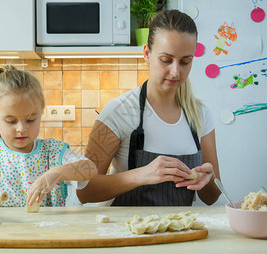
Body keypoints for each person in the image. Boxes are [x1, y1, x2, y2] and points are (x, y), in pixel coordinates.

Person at [77, 9, 221, 206]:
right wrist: (142, 175)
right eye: (166, 60)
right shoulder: (118, 112)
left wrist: (206, 180)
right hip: (127, 232)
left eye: (185, 62)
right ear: (147, 54)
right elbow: (84, 191)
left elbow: (212, 197)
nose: (175, 71)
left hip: (179, 232)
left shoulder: (201, 115)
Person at [0, 65, 97, 214]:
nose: (21, 128)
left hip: (45, 236)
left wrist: (57, 172)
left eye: (30, 119)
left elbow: (90, 168)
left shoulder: (53, 152)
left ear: (40, 114)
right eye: (11, 121)